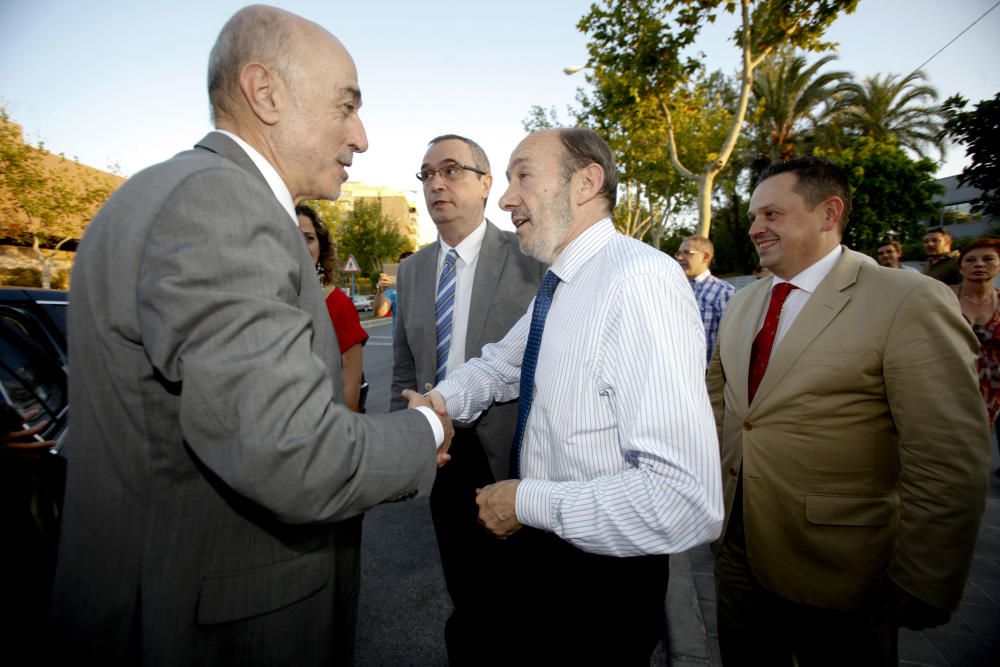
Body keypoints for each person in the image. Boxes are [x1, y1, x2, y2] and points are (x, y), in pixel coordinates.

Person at [49, 6, 452, 664]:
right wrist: (427, 431)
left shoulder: (158, 192)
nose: (362, 135)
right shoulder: (222, 203)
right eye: (346, 104)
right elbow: (293, 453)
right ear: (265, 92)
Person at [422, 128, 723, 664]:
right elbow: (499, 366)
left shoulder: (639, 283)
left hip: (601, 584)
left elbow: (685, 500)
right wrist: (439, 405)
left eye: (523, 175)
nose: (508, 197)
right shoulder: (561, 282)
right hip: (546, 555)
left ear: (586, 183)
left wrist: (525, 500)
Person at [708, 157, 989, 665]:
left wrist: (926, 577)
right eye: (753, 216)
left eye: (771, 214)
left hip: (844, 571)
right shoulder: (743, 303)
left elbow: (946, 453)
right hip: (737, 557)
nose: (755, 228)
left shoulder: (906, 299)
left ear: (828, 213)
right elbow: (721, 403)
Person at [390, 134, 544, 664]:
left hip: (514, 455)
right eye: (427, 173)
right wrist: (406, 444)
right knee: (464, 584)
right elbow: (404, 370)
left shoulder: (530, 256)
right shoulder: (410, 271)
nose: (436, 183)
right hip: (443, 453)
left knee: (519, 589)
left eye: (451, 170)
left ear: (485, 183)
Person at [297, 203, 368, 412]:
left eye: (309, 238)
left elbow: (350, 384)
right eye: (293, 235)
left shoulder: (338, 304)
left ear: (321, 246)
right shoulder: (269, 298)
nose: (301, 245)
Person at [950, 237, 1000, 476]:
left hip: (993, 388)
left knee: (979, 452)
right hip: (952, 384)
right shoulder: (944, 297)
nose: (979, 264)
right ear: (961, 267)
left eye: (988, 259)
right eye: (971, 260)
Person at [675, 235, 735, 366]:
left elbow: (733, 341)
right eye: (678, 253)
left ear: (705, 257)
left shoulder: (724, 292)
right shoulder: (675, 289)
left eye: (687, 253)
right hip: (678, 371)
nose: (679, 258)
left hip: (707, 376)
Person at [372, 250, 413, 333]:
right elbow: (379, 313)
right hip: (402, 344)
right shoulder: (393, 292)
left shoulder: (429, 286)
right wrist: (380, 292)